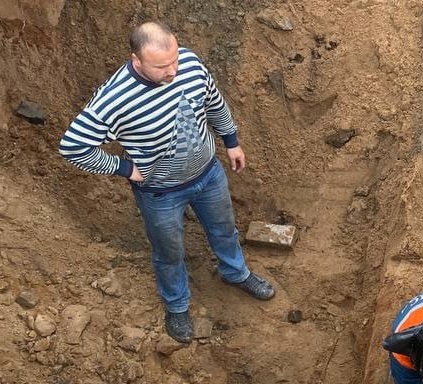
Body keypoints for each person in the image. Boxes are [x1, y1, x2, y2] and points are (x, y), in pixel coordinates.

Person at [58, 21, 275, 344]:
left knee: (224, 229)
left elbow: (214, 102)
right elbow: (73, 146)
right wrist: (122, 167)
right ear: (137, 60)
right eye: (161, 67)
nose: (173, 71)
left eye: (174, 60)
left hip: (208, 174)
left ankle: (236, 273)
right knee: (168, 252)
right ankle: (177, 305)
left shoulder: (188, 62)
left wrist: (231, 141)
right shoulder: (114, 99)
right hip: (161, 193)